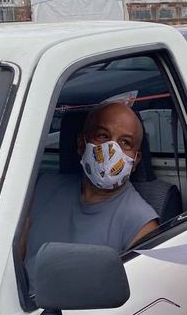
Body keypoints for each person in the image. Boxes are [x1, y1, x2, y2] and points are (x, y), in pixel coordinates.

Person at [25, 101, 159, 277]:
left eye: (125, 143)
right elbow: (11, 261)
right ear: (81, 143)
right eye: (103, 135)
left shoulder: (140, 223)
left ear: (136, 160)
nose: (112, 150)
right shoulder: (44, 186)